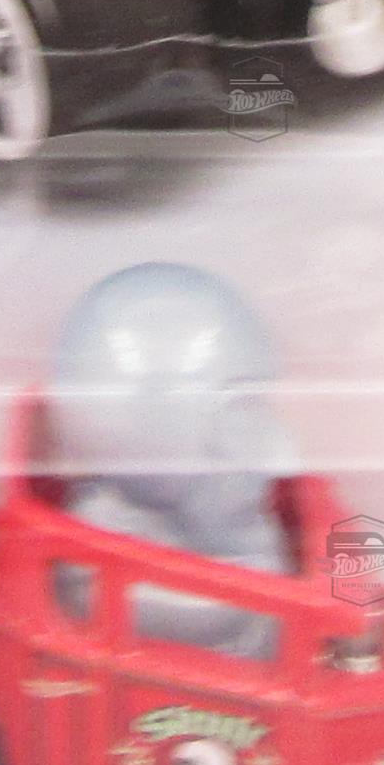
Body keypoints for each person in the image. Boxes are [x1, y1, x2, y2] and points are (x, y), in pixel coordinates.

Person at [45, 263, 296, 657]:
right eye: (244, 411)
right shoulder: (99, 568)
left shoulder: (184, 524)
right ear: (156, 438)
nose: (285, 457)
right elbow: (245, 607)